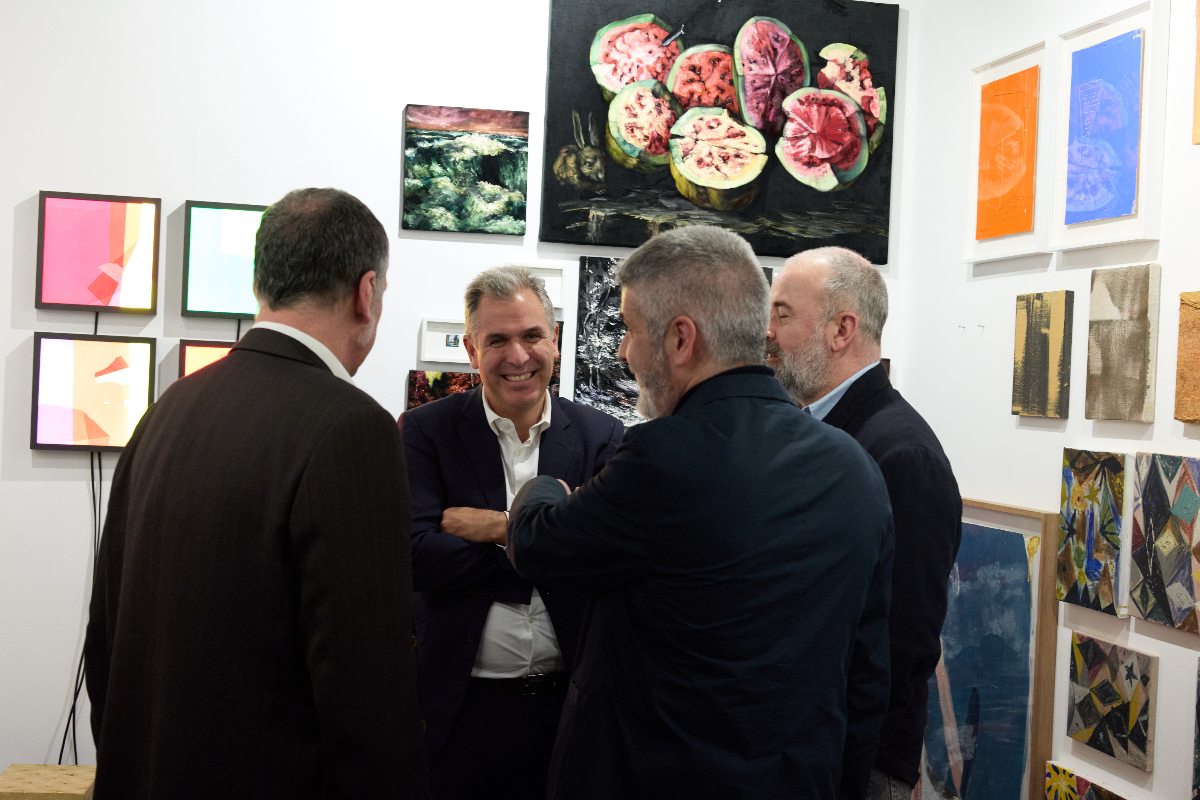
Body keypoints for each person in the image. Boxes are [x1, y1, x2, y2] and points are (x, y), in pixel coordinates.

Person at [504, 226, 895, 800]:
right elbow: (867, 671)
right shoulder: (856, 467)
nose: (622, 351)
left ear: (681, 339)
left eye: (630, 329)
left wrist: (544, 487)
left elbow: (539, 545)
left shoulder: (665, 457)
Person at [84, 188, 429, 799]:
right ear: (367, 292)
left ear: (259, 282)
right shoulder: (352, 427)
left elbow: (106, 635)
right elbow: (366, 687)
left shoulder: (169, 408)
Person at [400, 266, 624, 800]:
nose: (518, 356)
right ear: (471, 350)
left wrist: (499, 527)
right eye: (497, 340)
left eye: (531, 336)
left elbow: (607, 558)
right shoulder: (425, 431)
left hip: (569, 709)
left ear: (555, 340)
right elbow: (415, 554)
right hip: (459, 712)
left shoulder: (600, 434)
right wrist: (549, 539)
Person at [767, 247, 962, 800]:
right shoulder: (824, 435)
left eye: (782, 314)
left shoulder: (902, 456)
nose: (767, 333)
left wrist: (852, 770)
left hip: (857, 765)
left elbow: (900, 647)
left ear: (841, 330)